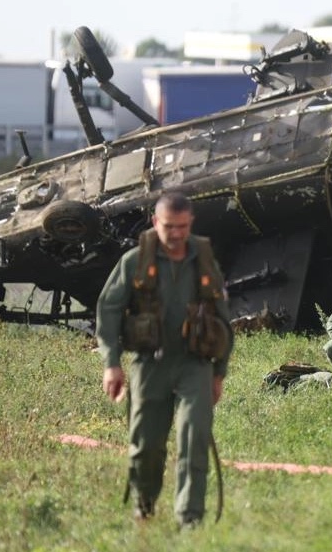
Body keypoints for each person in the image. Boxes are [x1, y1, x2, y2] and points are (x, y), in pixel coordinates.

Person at [97, 192, 233, 528]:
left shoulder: (203, 261)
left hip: (194, 365)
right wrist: (112, 363)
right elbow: (109, 310)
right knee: (146, 444)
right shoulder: (135, 261)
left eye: (183, 227)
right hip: (150, 365)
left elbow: (222, 316)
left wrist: (219, 373)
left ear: (191, 224)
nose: (176, 234)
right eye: (169, 226)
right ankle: (144, 505)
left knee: (194, 437)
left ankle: (190, 519)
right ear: (155, 222)